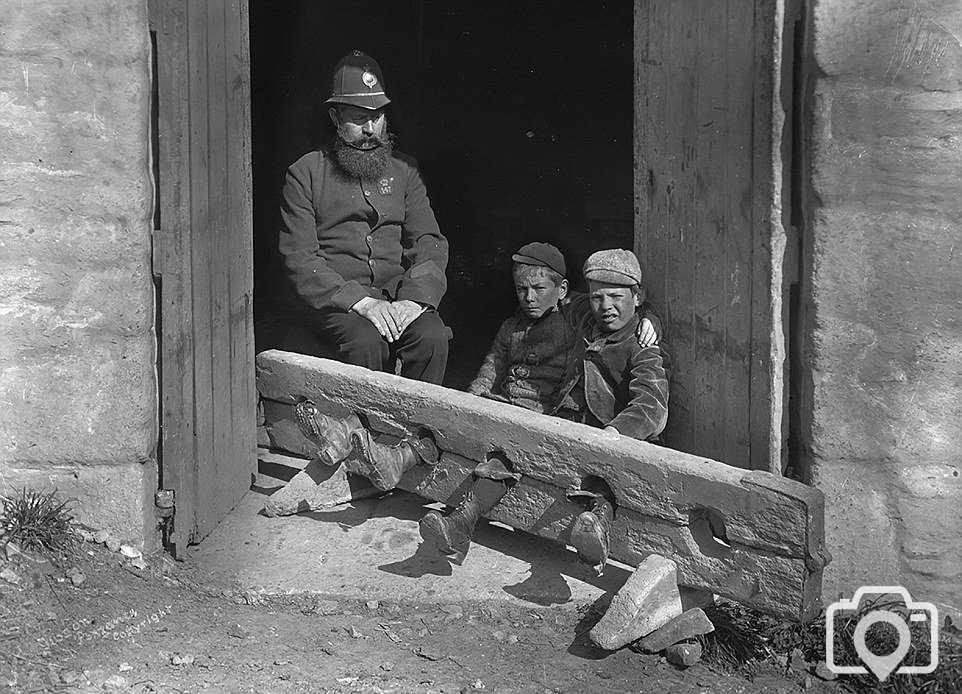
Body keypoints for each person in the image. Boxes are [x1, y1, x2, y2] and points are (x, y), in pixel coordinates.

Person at [418, 245, 669, 572]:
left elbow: (652, 404)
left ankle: (594, 536)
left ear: (637, 296)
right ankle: (460, 524)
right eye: (597, 297)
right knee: (506, 454)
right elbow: (560, 292)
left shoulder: (644, 347)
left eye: (617, 298)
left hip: (607, 439)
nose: (605, 307)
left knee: (599, 482)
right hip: (562, 426)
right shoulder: (584, 316)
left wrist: (615, 432)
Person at [276, 50, 450, 386]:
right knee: (364, 341)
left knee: (432, 337)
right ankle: (359, 433)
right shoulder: (305, 173)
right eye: (358, 118)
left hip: (397, 297)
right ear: (335, 117)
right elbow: (300, 259)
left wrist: (415, 300)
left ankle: (415, 435)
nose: (371, 129)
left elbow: (429, 242)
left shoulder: (406, 170)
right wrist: (361, 302)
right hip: (337, 304)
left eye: (378, 117)